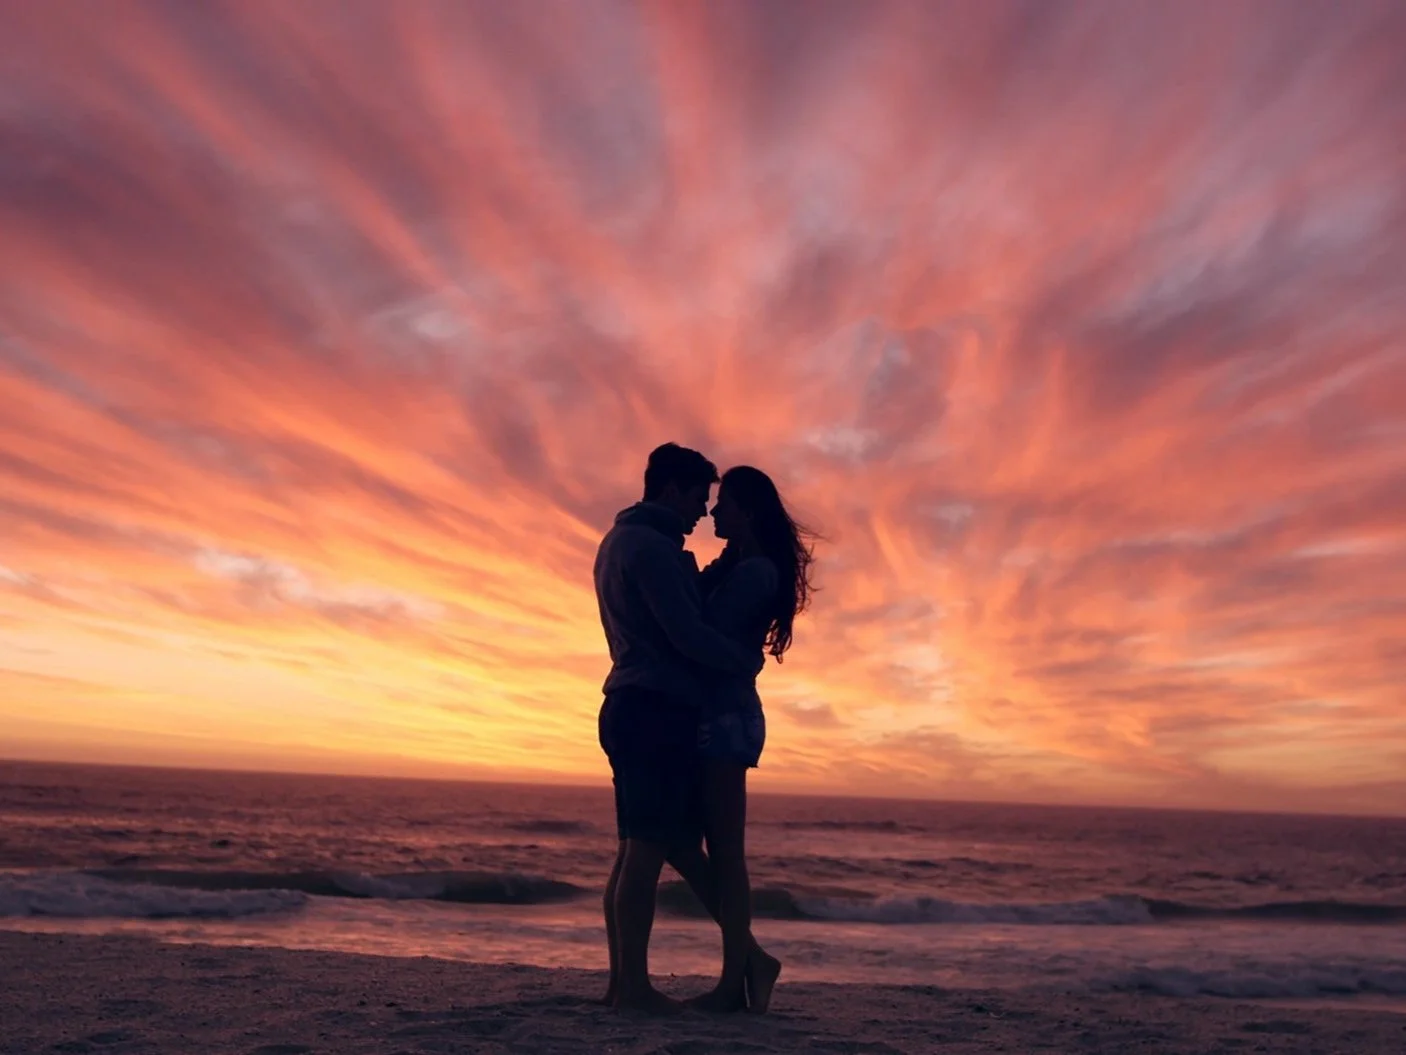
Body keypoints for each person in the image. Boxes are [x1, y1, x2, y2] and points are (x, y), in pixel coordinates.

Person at [594, 443, 768, 1014]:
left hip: (626, 700)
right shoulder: (653, 548)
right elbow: (686, 634)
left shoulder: (619, 540)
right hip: (656, 706)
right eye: (698, 497)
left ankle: (621, 985)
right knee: (645, 851)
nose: (702, 511)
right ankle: (634, 989)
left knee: (631, 848)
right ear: (671, 490)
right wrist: (743, 661)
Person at [690, 465, 816, 1013]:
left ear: (747, 510)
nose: (714, 512)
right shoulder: (740, 565)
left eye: (725, 504)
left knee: (725, 852)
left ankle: (733, 982)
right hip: (715, 713)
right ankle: (753, 958)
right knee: (688, 842)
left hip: (727, 717)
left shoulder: (756, 572)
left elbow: (702, 632)